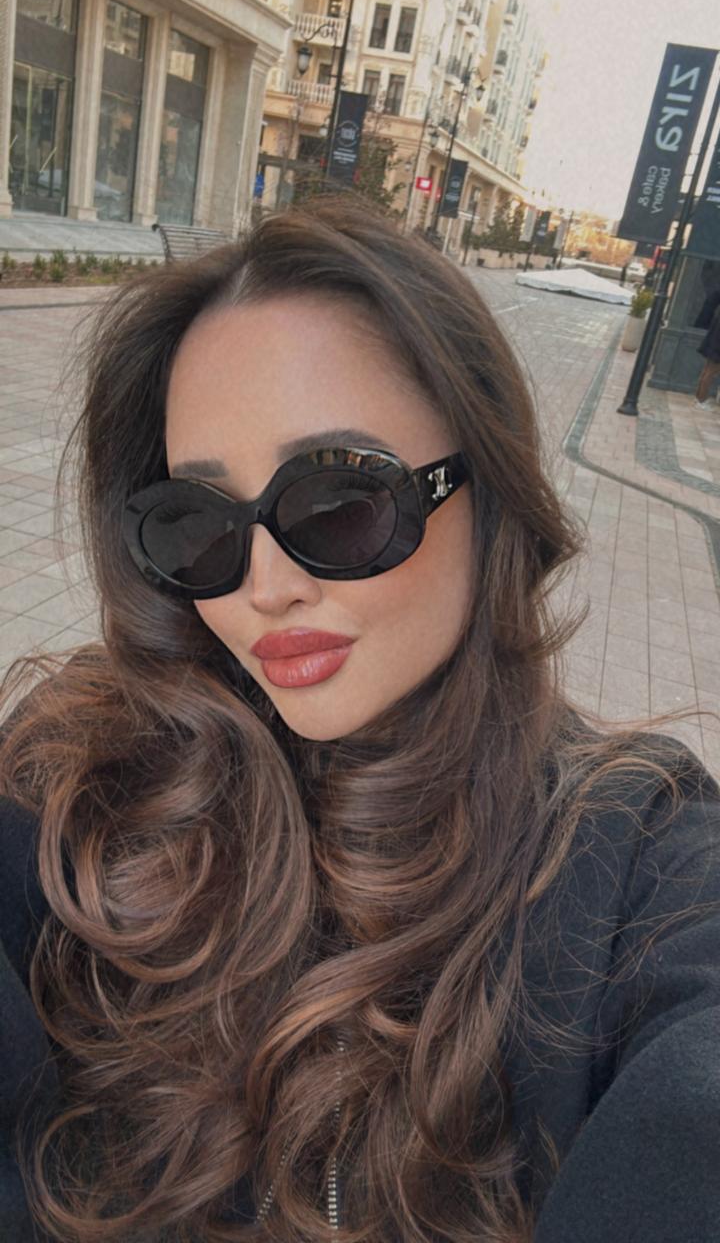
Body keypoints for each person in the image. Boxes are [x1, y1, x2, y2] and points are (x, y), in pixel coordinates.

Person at [1, 195, 719, 1243]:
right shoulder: (80, 770)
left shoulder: (634, 865)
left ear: (486, 488)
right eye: (198, 523)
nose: (264, 587)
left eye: (338, 502)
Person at [693, 284, 720, 410]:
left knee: (706, 371)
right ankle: (701, 400)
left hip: (713, 344)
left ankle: (698, 398)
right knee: (709, 372)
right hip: (717, 347)